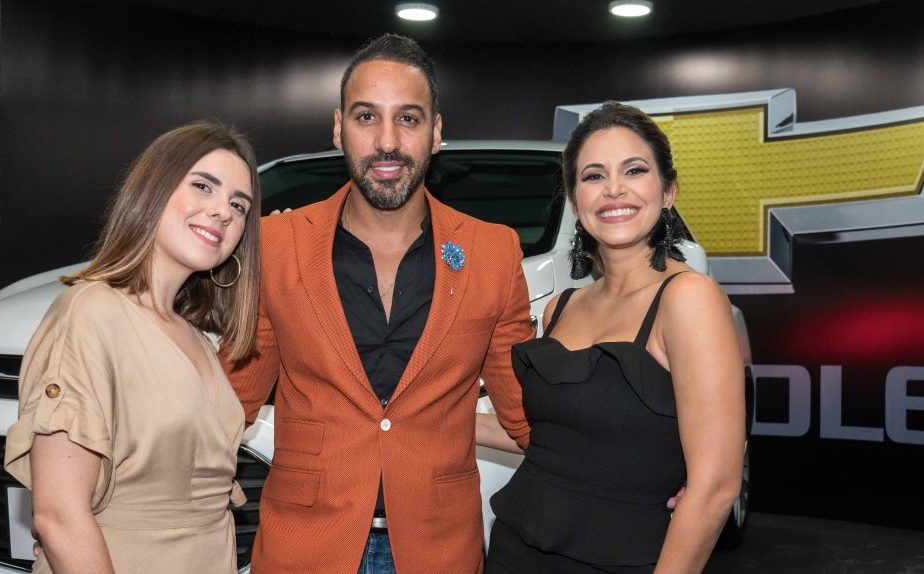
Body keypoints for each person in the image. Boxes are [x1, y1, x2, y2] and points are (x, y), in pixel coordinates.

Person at [221, 34, 532, 573]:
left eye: (408, 119)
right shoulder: (277, 246)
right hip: (305, 549)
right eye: (367, 117)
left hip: (438, 551)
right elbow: (228, 404)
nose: (387, 141)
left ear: (436, 132)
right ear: (338, 127)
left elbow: (528, 416)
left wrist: (647, 472)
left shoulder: (492, 253)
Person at [477, 102, 745, 573]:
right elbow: (549, 438)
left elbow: (716, 487)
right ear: (575, 202)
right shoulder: (562, 306)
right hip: (515, 550)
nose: (614, 188)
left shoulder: (689, 299)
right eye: (594, 176)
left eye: (634, 170)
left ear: (668, 191)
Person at [4, 121, 261, 574]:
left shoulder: (197, 338)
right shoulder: (91, 313)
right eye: (204, 186)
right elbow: (59, 517)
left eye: (238, 205)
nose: (223, 212)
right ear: (153, 191)